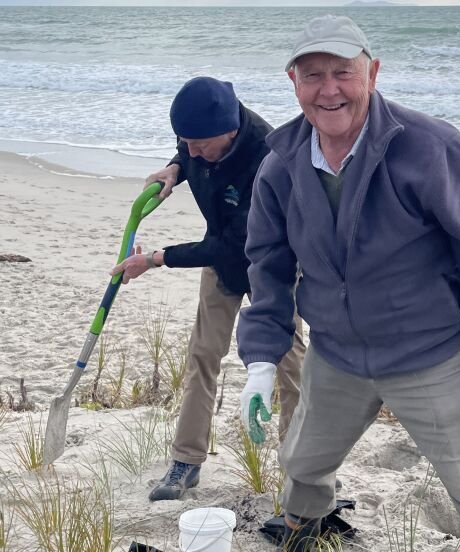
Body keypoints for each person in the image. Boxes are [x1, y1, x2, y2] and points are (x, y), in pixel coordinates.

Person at [235, 15, 460, 552]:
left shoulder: (431, 149)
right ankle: (302, 530)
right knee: (303, 464)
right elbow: (267, 269)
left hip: (430, 357)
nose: (329, 89)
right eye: (313, 75)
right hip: (335, 357)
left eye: (343, 72)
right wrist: (262, 362)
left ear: (373, 73)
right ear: (293, 82)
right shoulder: (279, 167)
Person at [110, 76, 305, 501]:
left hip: (270, 265)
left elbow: (235, 242)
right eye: (185, 142)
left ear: (231, 131)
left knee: (292, 366)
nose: (194, 151)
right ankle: (186, 461)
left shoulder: (268, 158)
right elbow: (187, 148)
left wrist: (156, 259)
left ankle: (301, 465)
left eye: (201, 146)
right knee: (202, 356)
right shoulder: (200, 137)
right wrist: (174, 169)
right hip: (220, 262)